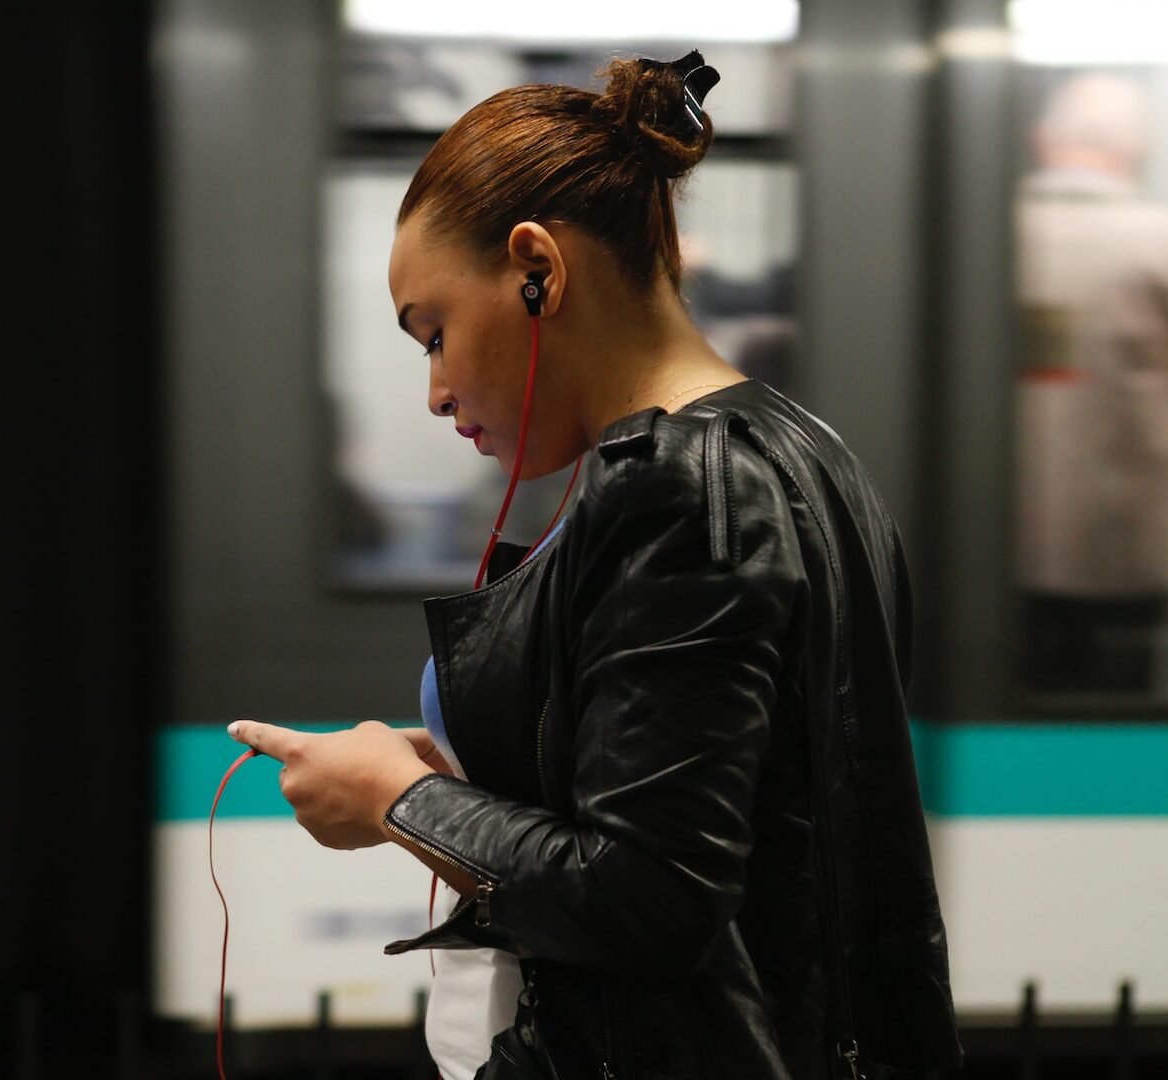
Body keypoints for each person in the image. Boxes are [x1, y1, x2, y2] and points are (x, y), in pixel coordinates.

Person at [229, 52, 963, 1080]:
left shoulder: (679, 489)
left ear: (538, 267)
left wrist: (398, 801)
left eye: (434, 334)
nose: (436, 392)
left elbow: (644, 899)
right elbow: (746, 815)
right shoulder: (801, 449)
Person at [1014, 73, 1168, 696]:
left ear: (1043, 140)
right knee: (1112, 699)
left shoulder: (989, 235)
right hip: (1125, 538)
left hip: (994, 534)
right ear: (1137, 147)